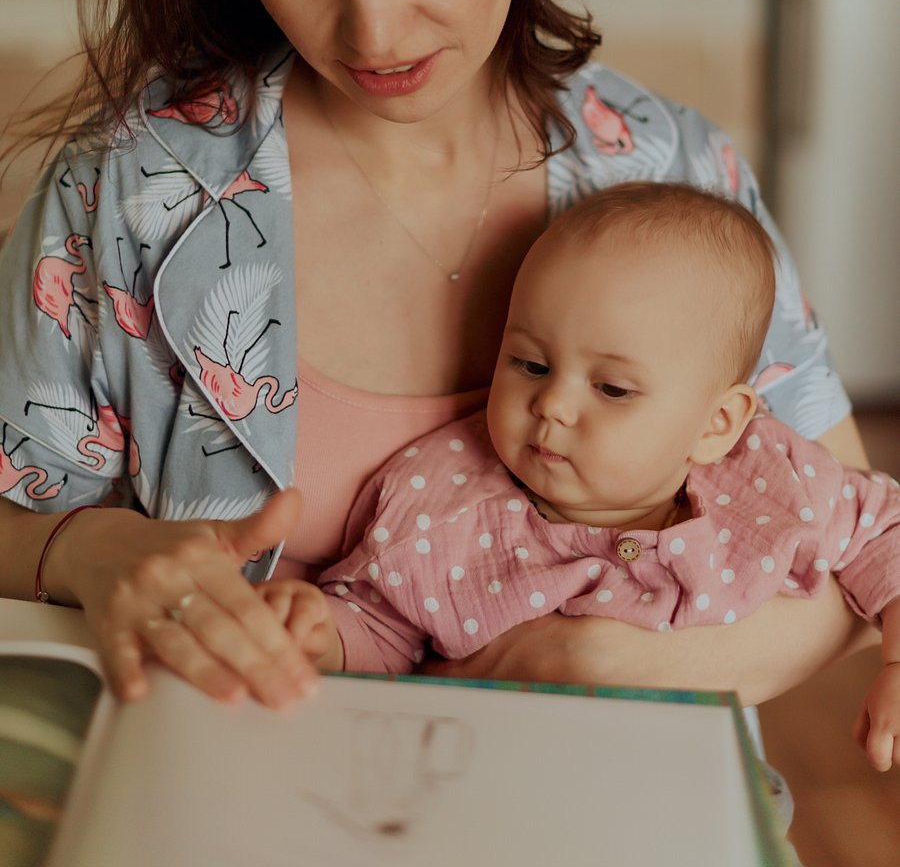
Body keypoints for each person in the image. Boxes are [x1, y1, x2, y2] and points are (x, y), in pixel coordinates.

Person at [0, 0, 876, 717]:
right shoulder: (127, 199)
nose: (376, 33)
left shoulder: (667, 170)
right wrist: (97, 551)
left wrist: (589, 669)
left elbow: (849, 547)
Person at [256, 183, 900, 770]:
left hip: (694, 794)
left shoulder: (767, 480)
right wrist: (320, 635)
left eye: (613, 388)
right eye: (530, 365)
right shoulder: (442, 504)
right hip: (492, 789)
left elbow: (883, 529)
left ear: (717, 423)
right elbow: (381, 628)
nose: (553, 405)